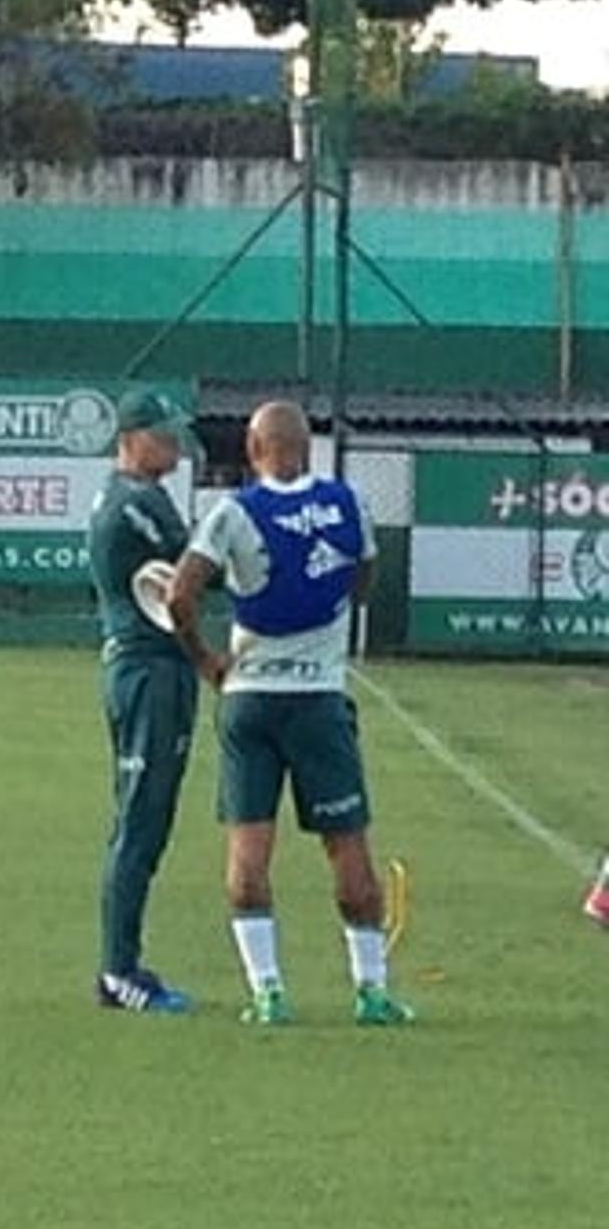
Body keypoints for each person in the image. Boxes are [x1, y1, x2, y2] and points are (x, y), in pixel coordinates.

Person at [169, 400, 414, 1027]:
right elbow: (363, 579)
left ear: (254, 450)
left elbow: (179, 593)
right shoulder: (347, 504)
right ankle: (371, 992)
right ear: (308, 446)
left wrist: (205, 660)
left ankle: (268, 992)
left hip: (250, 697)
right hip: (320, 699)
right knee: (347, 846)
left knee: (249, 851)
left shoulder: (233, 513)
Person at [86, 387, 202, 1014]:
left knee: (144, 819)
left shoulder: (132, 497)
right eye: (163, 433)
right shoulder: (137, 502)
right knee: (140, 820)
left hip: (150, 668)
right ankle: (118, 970)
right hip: (148, 671)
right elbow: (195, 570)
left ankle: (122, 964)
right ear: (131, 438)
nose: (175, 443)